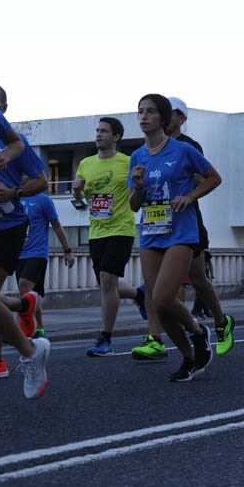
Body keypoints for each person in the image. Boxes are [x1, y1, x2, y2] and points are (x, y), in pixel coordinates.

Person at [129, 94, 222, 381]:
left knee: (162, 296)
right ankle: (189, 356)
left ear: (164, 118)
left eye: (151, 112)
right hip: (150, 233)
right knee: (158, 305)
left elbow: (213, 177)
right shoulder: (137, 156)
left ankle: (197, 330)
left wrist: (190, 196)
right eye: (140, 112)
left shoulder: (182, 150)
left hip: (181, 232)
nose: (144, 117)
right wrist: (139, 186)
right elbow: (134, 205)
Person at [0, 83, 53, 379]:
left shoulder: (16, 141)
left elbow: (41, 182)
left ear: (3, 108)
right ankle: (22, 305)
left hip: (10, 225)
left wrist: (13, 192)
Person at [163, 98, 235, 356]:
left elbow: (206, 179)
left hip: (188, 222)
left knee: (197, 279)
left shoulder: (189, 146)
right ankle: (184, 335)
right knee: (164, 287)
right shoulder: (151, 147)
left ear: (181, 118)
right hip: (159, 225)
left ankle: (220, 322)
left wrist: (188, 188)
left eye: (168, 113)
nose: (163, 117)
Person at [72, 117, 148, 357]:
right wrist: (75, 191)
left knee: (107, 280)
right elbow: (80, 202)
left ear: (116, 137)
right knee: (108, 284)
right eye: (97, 130)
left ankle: (105, 338)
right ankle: (139, 294)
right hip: (96, 231)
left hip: (121, 228)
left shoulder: (128, 162)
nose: (98, 135)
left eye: (104, 131)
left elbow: (140, 188)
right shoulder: (85, 163)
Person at [7, 187, 75, 337]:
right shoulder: (13, 199)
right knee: (32, 294)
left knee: (24, 286)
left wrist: (67, 251)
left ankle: (22, 329)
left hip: (37, 253)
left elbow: (57, 225)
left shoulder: (44, 200)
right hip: (19, 254)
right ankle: (40, 329)